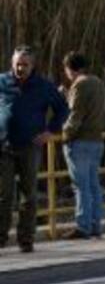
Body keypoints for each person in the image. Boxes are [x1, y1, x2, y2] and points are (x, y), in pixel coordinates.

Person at [0, 46, 69, 253]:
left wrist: (51, 131)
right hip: (4, 146)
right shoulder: (2, 81)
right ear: (12, 63)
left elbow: (62, 108)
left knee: (28, 195)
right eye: (17, 64)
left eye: (25, 64)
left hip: (30, 147)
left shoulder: (43, 86)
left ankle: (26, 239)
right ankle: (1, 237)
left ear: (33, 65)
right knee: (4, 196)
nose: (20, 68)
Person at [61, 52, 105, 240]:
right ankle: (96, 224)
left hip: (80, 141)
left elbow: (76, 115)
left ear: (70, 69)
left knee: (81, 186)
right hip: (96, 140)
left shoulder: (79, 85)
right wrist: (68, 96)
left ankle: (83, 226)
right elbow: (90, 109)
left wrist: (65, 135)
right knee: (93, 184)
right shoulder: (98, 83)